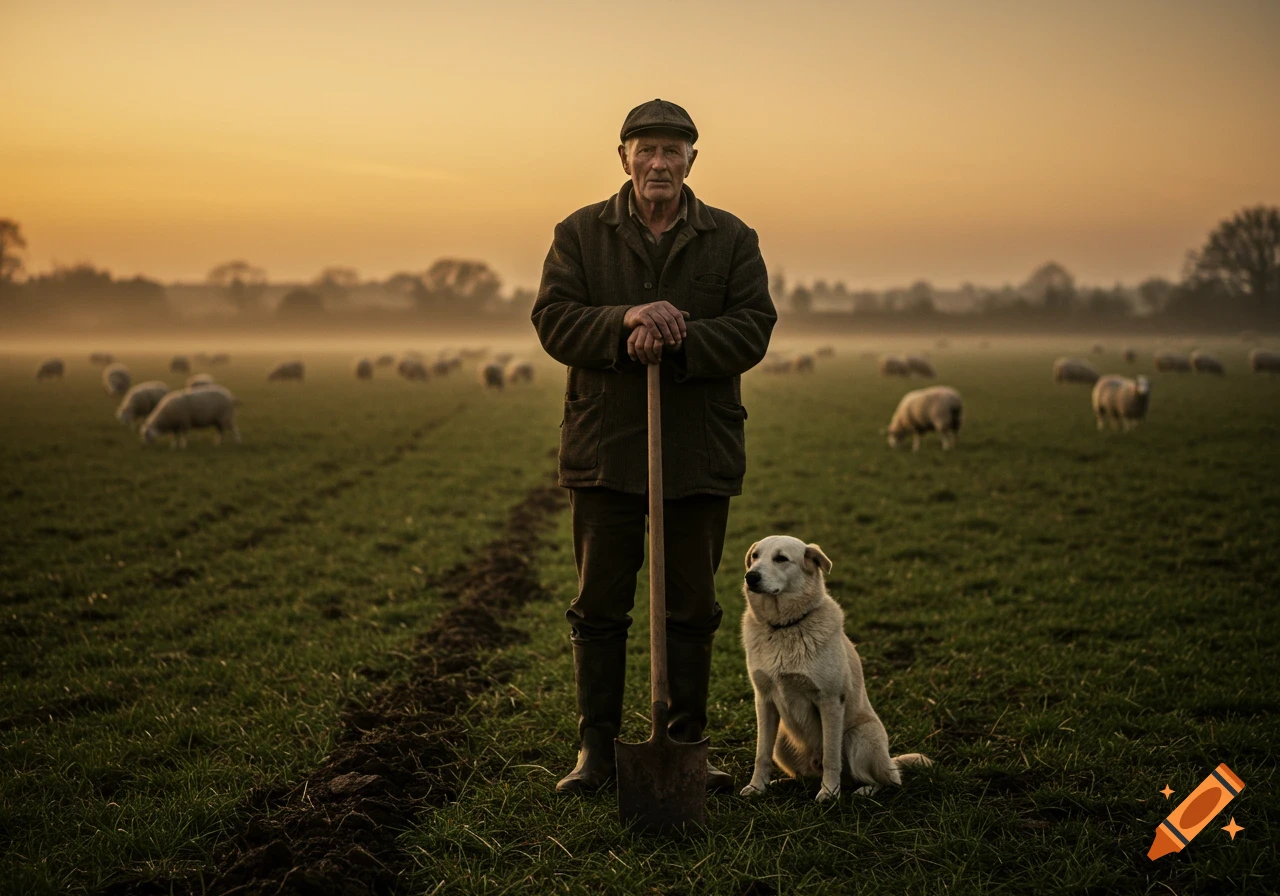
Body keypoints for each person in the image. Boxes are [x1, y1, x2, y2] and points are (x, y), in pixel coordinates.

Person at [531, 99, 776, 794]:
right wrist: (625, 318)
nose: (660, 162)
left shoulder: (730, 237)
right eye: (647, 149)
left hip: (697, 452)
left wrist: (677, 333)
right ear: (624, 158)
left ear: (693, 159)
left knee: (692, 608)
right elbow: (553, 320)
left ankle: (687, 743)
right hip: (605, 447)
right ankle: (598, 753)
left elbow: (755, 327)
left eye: (674, 150)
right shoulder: (580, 233)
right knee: (599, 606)